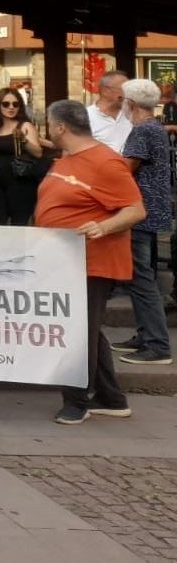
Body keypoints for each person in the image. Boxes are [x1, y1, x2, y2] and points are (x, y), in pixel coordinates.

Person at [37, 100, 145, 424]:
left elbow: (136, 210)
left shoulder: (106, 162)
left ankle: (76, 401)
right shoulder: (67, 159)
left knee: (77, 331)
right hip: (65, 259)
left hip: (91, 261)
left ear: (59, 127)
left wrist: (103, 226)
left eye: (48, 123)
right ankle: (111, 398)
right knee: (89, 329)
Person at [111, 79, 172, 367]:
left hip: (139, 210)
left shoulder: (142, 130)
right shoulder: (155, 127)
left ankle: (157, 344)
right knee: (141, 276)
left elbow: (125, 170)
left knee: (141, 278)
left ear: (131, 104)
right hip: (152, 209)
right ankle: (146, 335)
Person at [0, 87, 46, 226]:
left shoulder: (25, 126)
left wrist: (23, 140)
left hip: (21, 182)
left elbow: (38, 152)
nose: (11, 107)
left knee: (19, 225)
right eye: (6, 104)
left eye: (15, 104)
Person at [88, 70, 132, 152]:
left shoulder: (133, 114)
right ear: (105, 91)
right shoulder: (85, 117)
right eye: (125, 89)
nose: (129, 93)